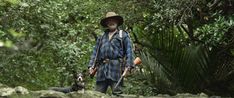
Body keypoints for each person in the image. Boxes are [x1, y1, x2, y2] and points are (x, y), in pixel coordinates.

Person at [88, 12, 133, 95]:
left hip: (116, 69)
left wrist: (128, 66)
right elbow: (95, 52)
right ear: (106, 23)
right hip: (101, 70)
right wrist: (91, 66)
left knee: (117, 94)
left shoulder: (123, 35)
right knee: (97, 95)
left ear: (117, 21)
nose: (111, 22)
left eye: (113, 20)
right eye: (109, 20)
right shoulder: (101, 37)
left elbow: (129, 51)